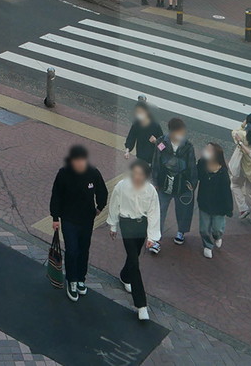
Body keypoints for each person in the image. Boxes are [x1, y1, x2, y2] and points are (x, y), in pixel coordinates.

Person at [50, 145, 108, 301]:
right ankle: (72, 280)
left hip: (87, 220)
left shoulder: (93, 173)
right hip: (68, 219)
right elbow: (56, 195)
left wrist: (99, 208)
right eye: (77, 161)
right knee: (72, 250)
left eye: (82, 161)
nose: (80, 164)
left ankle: (81, 278)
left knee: (84, 249)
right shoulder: (63, 174)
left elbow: (102, 192)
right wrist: (55, 217)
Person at [106, 159, 159, 322]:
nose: (137, 177)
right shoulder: (122, 186)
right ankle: (141, 305)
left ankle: (124, 276)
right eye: (135, 173)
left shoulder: (150, 191)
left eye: (141, 174)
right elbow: (114, 204)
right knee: (135, 262)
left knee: (133, 256)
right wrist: (113, 225)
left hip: (141, 225)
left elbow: (154, 213)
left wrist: (152, 237)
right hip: (127, 224)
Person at [150, 117, 197, 252]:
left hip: (181, 183)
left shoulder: (188, 146)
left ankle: (181, 231)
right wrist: (155, 181)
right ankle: (155, 239)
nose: (182, 134)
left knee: (182, 209)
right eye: (180, 132)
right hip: (164, 182)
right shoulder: (161, 142)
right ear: (172, 132)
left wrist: (192, 184)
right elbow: (156, 162)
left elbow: (192, 165)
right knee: (160, 209)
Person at [196, 143, 233, 258]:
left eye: (209, 150)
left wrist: (228, 208)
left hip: (219, 206)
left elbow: (227, 192)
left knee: (217, 228)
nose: (205, 151)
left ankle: (217, 236)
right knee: (203, 228)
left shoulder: (222, 173)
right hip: (204, 202)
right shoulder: (202, 164)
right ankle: (207, 245)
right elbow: (195, 175)